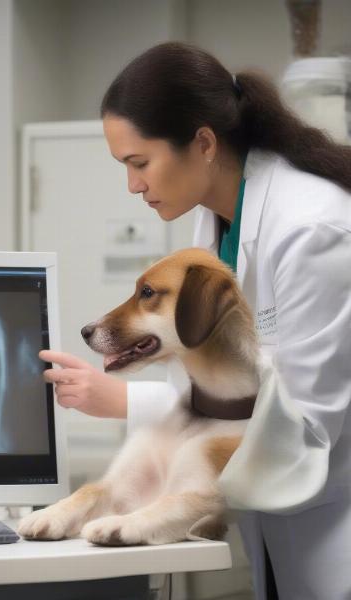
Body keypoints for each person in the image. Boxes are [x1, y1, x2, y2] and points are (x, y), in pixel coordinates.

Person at [41, 42, 351, 599]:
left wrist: (168, 494)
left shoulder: (312, 229)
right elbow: (218, 387)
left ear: (203, 143)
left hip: (333, 522)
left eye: (140, 163)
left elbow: (301, 424)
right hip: (276, 523)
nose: (133, 185)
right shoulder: (215, 224)